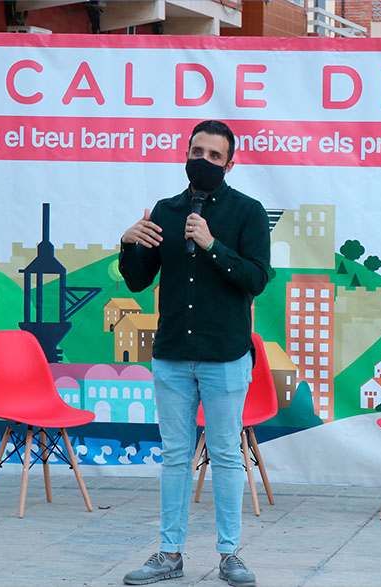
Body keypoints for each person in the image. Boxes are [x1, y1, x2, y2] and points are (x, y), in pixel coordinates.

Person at [119, 120, 270, 587]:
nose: (202, 161)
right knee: (174, 456)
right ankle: (170, 554)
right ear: (185, 154)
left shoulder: (248, 212)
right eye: (196, 151)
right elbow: (138, 280)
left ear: (229, 162)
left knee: (225, 454)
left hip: (226, 356)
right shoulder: (166, 210)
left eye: (213, 155)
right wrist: (128, 245)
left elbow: (256, 279)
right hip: (171, 355)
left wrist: (210, 244)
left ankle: (230, 556)